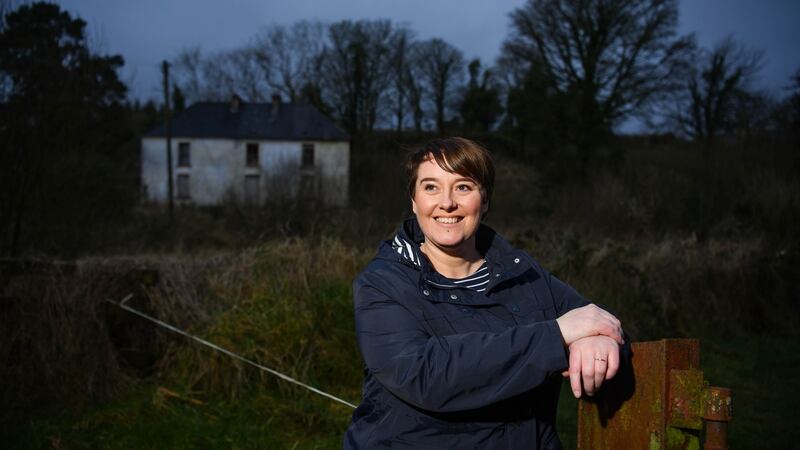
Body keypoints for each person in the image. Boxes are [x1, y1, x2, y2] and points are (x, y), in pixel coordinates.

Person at [343, 137, 625, 449]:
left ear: (485, 200)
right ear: (414, 201)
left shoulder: (523, 274)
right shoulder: (383, 283)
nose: (447, 202)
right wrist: (556, 336)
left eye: (463, 187)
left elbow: (600, 322)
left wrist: (597, 339)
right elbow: (424, 375)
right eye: (431, 187)